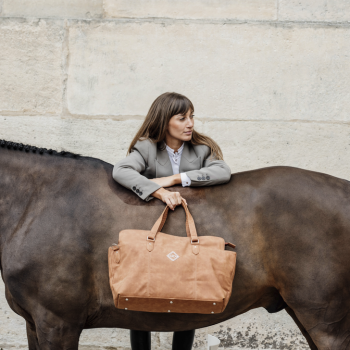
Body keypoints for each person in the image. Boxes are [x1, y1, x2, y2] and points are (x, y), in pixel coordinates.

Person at [112, 92, 232, 350]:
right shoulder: (146, 148)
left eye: (192, 117)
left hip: (189, 235)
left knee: (188, 297)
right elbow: (121, 170)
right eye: (182, 118)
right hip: (153, 234)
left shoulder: (201, 149)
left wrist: (174, 180)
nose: (190, 123)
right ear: (165, 121)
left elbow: (222, 171)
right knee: (140, 297)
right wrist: (159, 192)